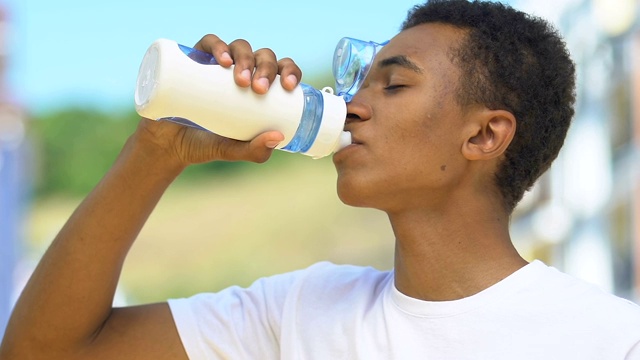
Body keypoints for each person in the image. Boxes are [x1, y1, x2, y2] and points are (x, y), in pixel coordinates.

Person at [2, 0, 640, 358]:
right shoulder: (301, 310)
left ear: (482, 136)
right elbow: (43, 351)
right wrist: (156, 151)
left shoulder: (605, 340)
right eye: (359, 84)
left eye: (393, 84)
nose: (354, 104)